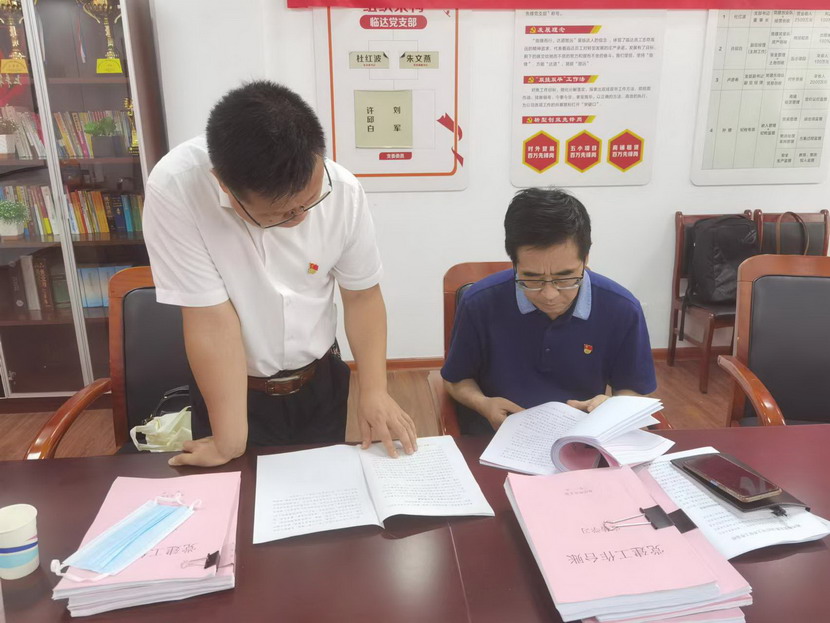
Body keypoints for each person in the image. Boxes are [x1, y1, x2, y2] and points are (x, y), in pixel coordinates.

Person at [143, 80, 417, 466]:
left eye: (310, 200)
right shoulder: (176, 188)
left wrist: (374, 390)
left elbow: (362, 295)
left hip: (319, 381)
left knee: (321, 487)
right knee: (238, 492)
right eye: (282, 214)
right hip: (229, 391)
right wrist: (228, 442)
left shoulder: (343, 190)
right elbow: (210, 318)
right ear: (224, 185)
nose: (300, 217)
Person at [441, 187, 657, 434]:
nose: (549, 294)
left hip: (581, 437)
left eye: (565, 278)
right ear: (514, 262)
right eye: (531, 278)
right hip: (496, 434)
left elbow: (634, 390)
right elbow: (456, 379)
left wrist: (612, 407)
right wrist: (483, 404)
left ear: (585, 257)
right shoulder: (480, 302)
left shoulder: (621, 308)